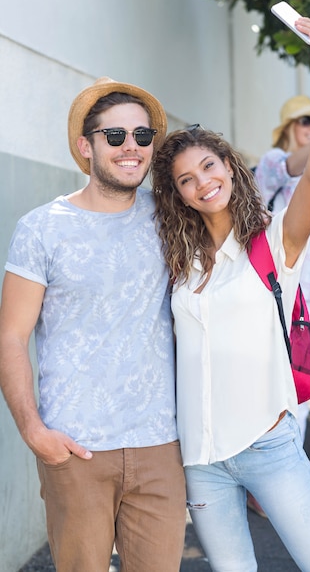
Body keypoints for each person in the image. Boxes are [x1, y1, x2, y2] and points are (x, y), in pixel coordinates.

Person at [151, 19, 310, 571]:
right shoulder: (180, 261)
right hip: (202, 461)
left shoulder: (273, 242)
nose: (201, 183)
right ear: (179, 195)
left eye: (208, 166)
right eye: (185, 179)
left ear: (229, 168)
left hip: (270, 448)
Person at [0, 77, 186, 571]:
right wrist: (33, 430)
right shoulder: (42, 228)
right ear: (87, 146)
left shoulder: (170, 217)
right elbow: (11, 336)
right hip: (75, 448)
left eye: (143, 137)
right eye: (116, 136)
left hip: (159, 444)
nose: (131, 148)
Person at [255, 95, 310, 440]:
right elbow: (294, 166)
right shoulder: (273, 162)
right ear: (289, 128)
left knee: (302, 381)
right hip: (277, 292)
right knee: (271, 384)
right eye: (306, 121)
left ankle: (296, 468)